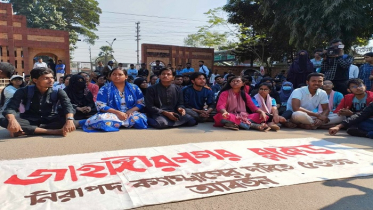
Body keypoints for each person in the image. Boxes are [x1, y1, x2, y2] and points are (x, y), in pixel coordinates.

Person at [0, 68, 75, 137]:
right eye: (46, 78)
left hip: (50, 119)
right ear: (35, 80)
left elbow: (67, 106)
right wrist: (12, 121)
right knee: (4, 120)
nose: (51, 80)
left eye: (52, 78)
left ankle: (28, 131)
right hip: (29, 119)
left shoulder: (58, 91)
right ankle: (54, 131)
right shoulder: (23, 91)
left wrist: (69, 120)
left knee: (68, 118)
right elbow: (10, 107)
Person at [80, 68, 147, 132]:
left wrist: (130, 111)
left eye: (120, 74)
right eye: (114, 74)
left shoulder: (134, 87)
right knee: (103, 119)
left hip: (130, 113)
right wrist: (118, 113)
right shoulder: (105, 88)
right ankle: (123, 123)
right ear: (110, 76)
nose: (117, 76)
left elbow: (141, 103)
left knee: (140, 119)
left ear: (126, 76)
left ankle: (116, 124)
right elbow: (100, 105)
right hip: (112, 113)